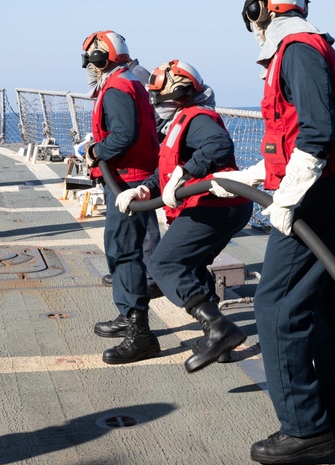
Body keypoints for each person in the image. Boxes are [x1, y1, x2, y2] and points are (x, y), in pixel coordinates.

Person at [211, 0, 335, 465]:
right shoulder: (302, 48)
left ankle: (305, 430)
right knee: (331, 308)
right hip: (333, 187)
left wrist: (289, 197)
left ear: (261, 10)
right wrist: (253, 174)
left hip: (317, 195)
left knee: (277, 307)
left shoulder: (297, 50)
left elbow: (317, 133)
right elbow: (294, 136)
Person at [116, 60, 253, 372]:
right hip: (219, 207)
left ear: (178, 93)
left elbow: (218, 146)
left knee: (165, 264)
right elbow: (167, 171)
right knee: (190, 265)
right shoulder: (181, 121)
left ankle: (219, 328)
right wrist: (143, 190)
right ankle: (220, 344)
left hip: (215, 206)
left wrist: (186, 172)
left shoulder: (198, 118)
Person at [76, 30, 161, 364]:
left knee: (124, 252)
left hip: (127, 182)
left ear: (102, 58)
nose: (88, 67)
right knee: (120, 247)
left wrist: (97, 150)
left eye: (90, 60)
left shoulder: (117, 88)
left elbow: (124, 134)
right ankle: (127, 315)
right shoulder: (127, 81)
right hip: (128, 178)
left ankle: (140, 333)